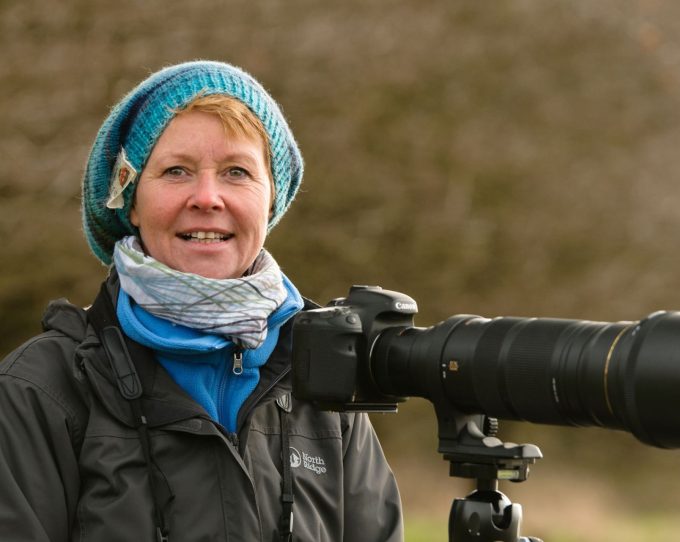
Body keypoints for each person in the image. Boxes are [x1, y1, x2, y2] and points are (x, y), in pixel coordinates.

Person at [0, 60, 403, 542]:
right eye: (176, 171)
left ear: (270, 199)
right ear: (129, 199)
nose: (207, 197)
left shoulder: (325, 379)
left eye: (236, 171)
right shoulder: (40, 390)